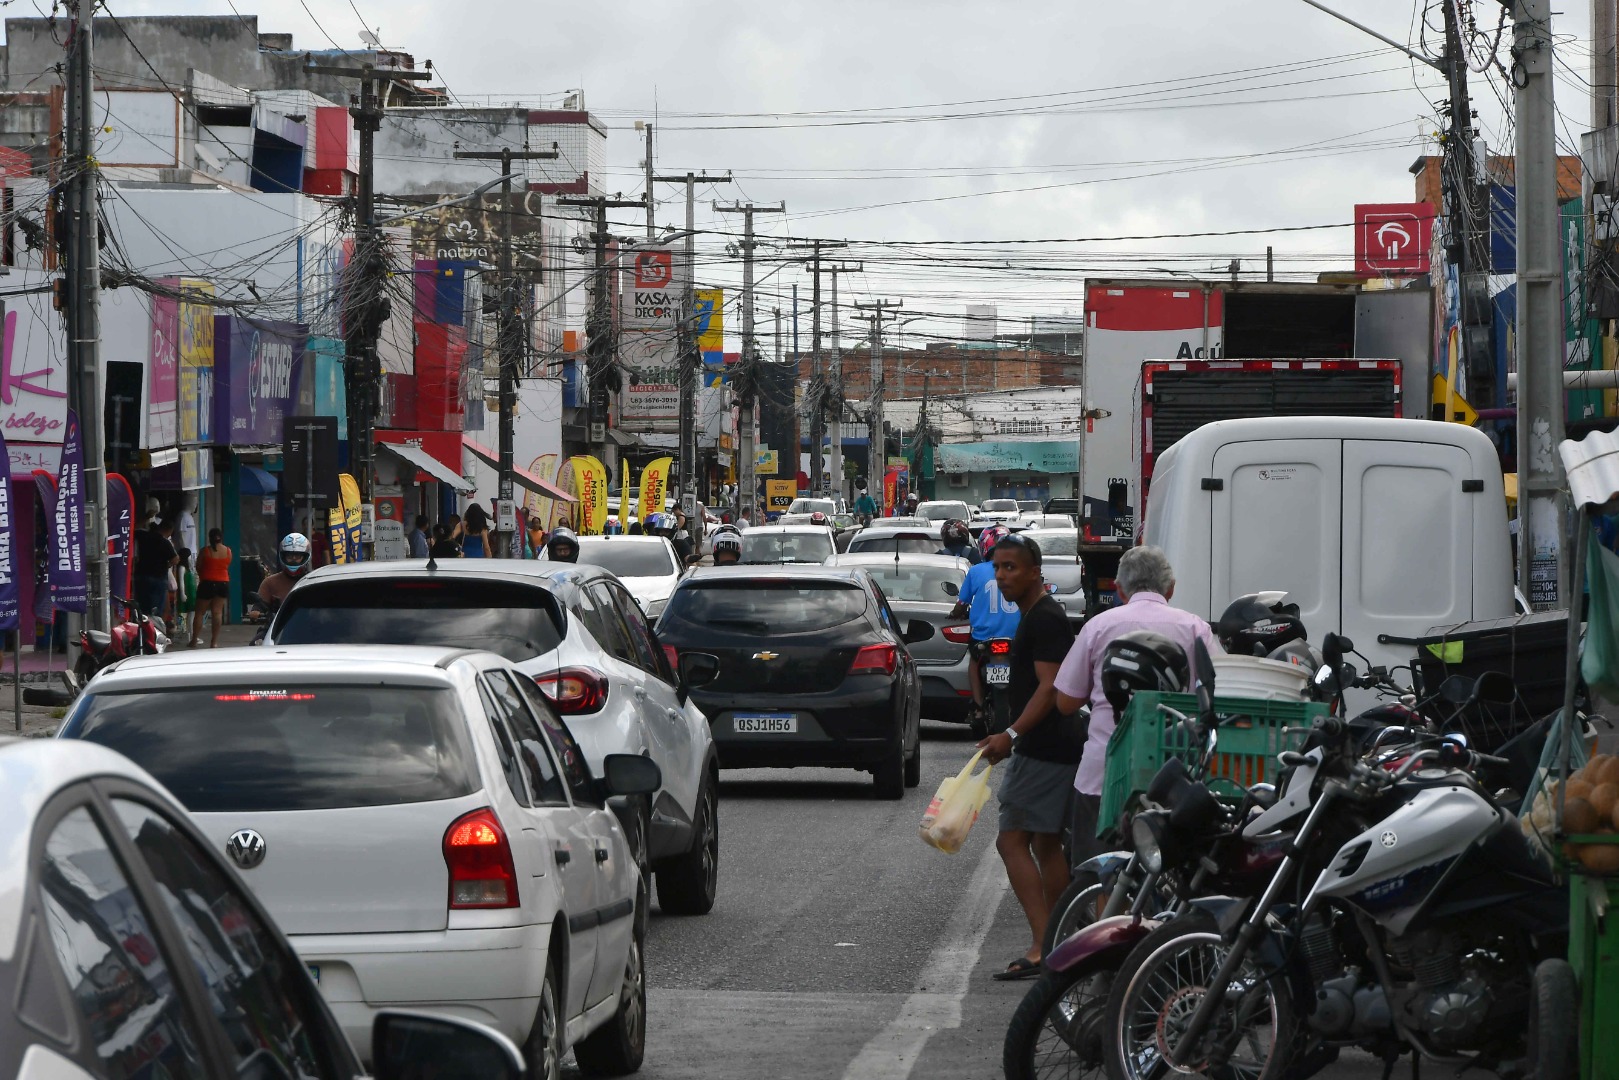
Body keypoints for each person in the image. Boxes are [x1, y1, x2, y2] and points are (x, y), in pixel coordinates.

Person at [1054, 545, 1222, 867]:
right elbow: (1221, 687)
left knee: (1102, 873)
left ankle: (1108, 917)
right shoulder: (1194, 628)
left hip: (1102, 775)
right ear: (1170, 588)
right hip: (1174, 776)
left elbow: (1066, 701)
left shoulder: (1098, 626)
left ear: (1119, 589)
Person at [974, 533, 1079, 979]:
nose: (1001, 576)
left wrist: (1011, 735)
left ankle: (1043, 946)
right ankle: (1059, 940)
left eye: (1011, 568)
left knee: (1011, 840)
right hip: (1049, 745)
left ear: (1036, 571)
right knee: (1044, 842)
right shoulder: (1034, 615)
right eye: (997, 568)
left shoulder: (1045, 619)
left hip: (1044, 747)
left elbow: (1051, 688)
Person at [948, 524, 1019, 728]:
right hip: (1015, 637)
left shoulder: (976, 571)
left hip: (983, 638)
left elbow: (961, 604)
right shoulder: (1019, 571)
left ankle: (978, 709)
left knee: (974, 663)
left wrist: (955, 615)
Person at [191, 528, 232, 648]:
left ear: (210, 538)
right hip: (223, 583)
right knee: (217, 612)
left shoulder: (205, 551)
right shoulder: (228, 551)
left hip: (207, 583)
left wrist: (203, 575)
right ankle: (214, 642)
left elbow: (198, 566)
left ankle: (194, 640)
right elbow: (227, 565)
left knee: (199, 612)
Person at [132, 518, 178, 621]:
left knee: (142, 607)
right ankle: (153, 632)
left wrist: (146, 517)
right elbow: (175, 559)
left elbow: (132, 528)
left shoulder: (143, 536)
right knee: (155, 610)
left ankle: (141, 630)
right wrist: (167, 565)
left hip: (141, 576)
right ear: (169, 530)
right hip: (158, 578)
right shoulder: (164, 542)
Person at [253, 534, 312, 614]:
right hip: (278, 625)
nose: (293, 560)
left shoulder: (312, 581)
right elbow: (261, 604)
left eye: (297, 556)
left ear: (305, 557)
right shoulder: (270, 582)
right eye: (290, 556)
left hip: (307, 624)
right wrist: (256, 611)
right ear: (283, 556)